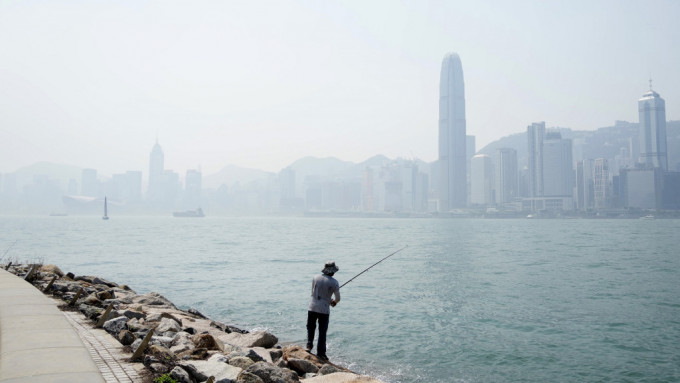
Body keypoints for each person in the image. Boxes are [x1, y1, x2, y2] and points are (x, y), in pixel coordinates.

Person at [306, 261, 341, 361]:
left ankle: (308, 346)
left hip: (312, 306)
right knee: (322, 331)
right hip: (324, 309)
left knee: (311, 327)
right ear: (333, 272)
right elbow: (338, 298)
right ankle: (321, 353)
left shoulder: (315, 278)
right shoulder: (334, 282)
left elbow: (313, 292)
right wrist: (333, 302)